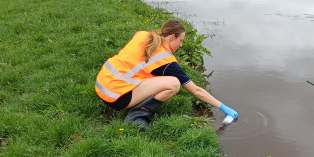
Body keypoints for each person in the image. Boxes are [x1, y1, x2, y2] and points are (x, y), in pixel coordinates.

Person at [95, 19, 238, 128]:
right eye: (180, 40)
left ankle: (133, 104)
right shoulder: (165, 61)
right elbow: (196, 90)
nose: (181, 45)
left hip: (102, 84)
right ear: (171, 37)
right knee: (174, 84)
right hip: (116, 98)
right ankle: (136, 117)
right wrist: (224, 108)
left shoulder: (142, 35)